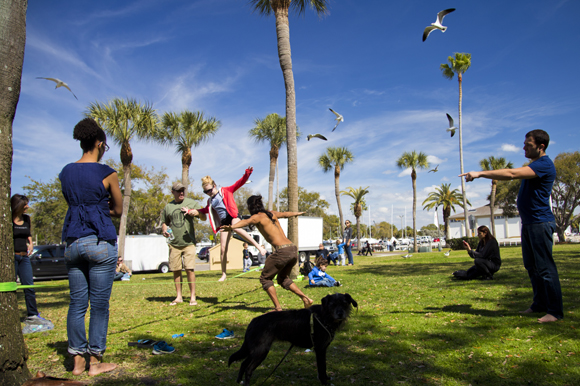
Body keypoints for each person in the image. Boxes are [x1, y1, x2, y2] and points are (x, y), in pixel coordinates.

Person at [460, 129, 562, 323]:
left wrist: (480, 173)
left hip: (540, 223)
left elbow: (512, 173)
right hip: (530, 223)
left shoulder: (544, 165)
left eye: (528, 144)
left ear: (541, 147)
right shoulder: (534, 165)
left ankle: (555, 311)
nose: (523, 147)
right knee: (532, 267)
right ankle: (539, 304)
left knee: (546, 268)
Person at [59, 118, 122, 376]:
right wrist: (101, 208)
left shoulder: (65, 172)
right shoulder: (107, 173)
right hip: (99, 242)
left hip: (73, 242)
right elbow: (118, 209)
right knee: (98, 305)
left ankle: (76, 362)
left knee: (76, 304)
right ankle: (95, 361)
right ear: (99, 143)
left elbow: (75, 203)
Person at [220, 195, 313, 312]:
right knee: (283, 279)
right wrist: (297, 213)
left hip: (282, 251)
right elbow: (285, 214)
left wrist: (231, 227)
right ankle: (306, 298)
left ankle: (278, 308)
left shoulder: (257, 217)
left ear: (250, 207)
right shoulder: (271, 213)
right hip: (292, 249)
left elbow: (245, 222)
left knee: (265, 278)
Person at [198, 168, 267, 282]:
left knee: (237, 229)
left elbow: (239, 183)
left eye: (209, 190)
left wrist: (247, 174)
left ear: (214, 185)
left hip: (233, 216)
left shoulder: (225, 191)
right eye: (206, 192)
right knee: (223, 249)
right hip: (224, 223)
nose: (208, 193)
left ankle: (259, 247)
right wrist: (192, 210)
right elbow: (205, 210)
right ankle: (223, 274)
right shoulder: (210, 201)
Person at [12, 194, 54, 333]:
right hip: (12, 257)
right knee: (10, 287)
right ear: (18, 205)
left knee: (29, 286)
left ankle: (32, 314)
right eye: (25, 204)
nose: (28, 207)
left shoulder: (26, 219)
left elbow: (28, 233)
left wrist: (30, 243)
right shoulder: (8, 219)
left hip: (24, 258)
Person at [161, 182, 205, 306]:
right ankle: (179, 296)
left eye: (182, 191)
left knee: (189, 269)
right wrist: (164, 229)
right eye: (178, 191)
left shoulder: (191, 203)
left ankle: (192, 297)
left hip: (189, 243)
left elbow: (203, 217)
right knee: (176, 270)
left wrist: (195, 212)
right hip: (174, 244)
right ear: (172, 192)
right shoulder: (168, 207)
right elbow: (164, 222)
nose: (181, 193)